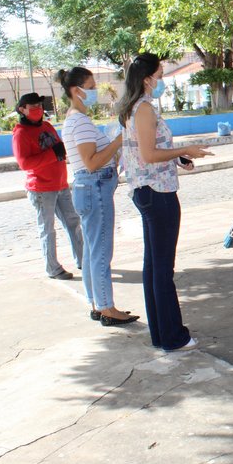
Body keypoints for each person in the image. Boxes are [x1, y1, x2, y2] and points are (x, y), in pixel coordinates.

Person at [117, 53, 213, 352]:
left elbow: (151, 150)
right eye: (160, 75)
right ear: (147, 79)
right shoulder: (143, 109)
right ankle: (173, 337)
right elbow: (148, 155)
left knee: (153, 266)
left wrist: (178, 157)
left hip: (149, 189)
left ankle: (161, 334)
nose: (162, 81)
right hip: (156, 193)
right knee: (162, 269)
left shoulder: (134, 107)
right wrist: (185, 150)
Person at [59, 67, 138, 326]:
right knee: (101, 251)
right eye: (91, 87)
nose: (94, 92)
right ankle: (107, 308)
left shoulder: (76, 119)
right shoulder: (79, 121)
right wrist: (117, 141)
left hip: (89, 189)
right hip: (94, 187)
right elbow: (91, 162)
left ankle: (97, 302)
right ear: (76, 91)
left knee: (92, 250)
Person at [12, 92, 84, 281]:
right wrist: (52, 154)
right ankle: (53, 268)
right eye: (33, 107)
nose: (38, 109)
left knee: (73, 223)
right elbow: (24, 163)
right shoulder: (20, 133)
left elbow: (60, 148)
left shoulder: (47, 126)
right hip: (41, 189)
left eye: (40, 106)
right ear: (22, 110)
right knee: (47, 229)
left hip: (60, 184)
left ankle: (84, 259)